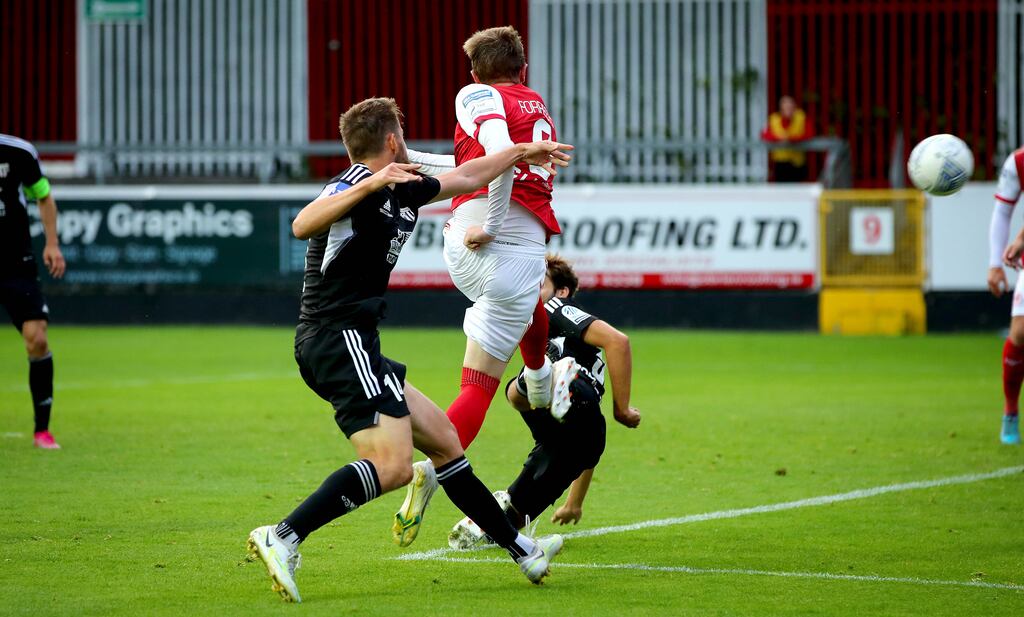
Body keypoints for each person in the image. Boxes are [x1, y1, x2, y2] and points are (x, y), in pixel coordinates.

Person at [245, 97, 573, 603]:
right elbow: (302, 223)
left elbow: (470, 176)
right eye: (402, 130)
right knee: (394, 466)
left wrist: (523, 151)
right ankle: (282, 535)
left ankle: (522, 550)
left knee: (444, 439)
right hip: (335, 338)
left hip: (355, 343)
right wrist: (371, 182)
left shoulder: (405, 185)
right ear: (392, 140)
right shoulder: (354, 181)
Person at [407, 26, 561, 453]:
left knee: (530, 302)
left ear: (474, 74)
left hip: (477, 246)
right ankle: (435, 466)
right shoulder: (534, 104)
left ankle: (539, 379)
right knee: (478, 389)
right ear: (523, 69)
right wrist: (491, 227)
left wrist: (410, 158)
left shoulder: (476, 95)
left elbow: (488, 160)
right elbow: (502, 158)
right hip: (503, 250)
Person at [447, 255, 641, 548]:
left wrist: (622, 409)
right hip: (573, 428)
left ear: (562, 291)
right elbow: (590, 450)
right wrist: (574, 504)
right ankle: (486, 524)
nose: (530, 287)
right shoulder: (532, 322)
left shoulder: (554, 307)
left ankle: (546, 377)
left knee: (518, 395)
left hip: (577, 395)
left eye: (539, 282)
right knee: (511, 523)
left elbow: (618, 341)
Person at [0, 133, 65, 450]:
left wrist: (52, 243)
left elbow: (43, 195)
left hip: (15, 262)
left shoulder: (19, 153)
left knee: (37, 338)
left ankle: (43, 430)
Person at [986, 145, 1024, 445]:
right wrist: (994, 264)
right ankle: (1011, 407)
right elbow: (1002, 212)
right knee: (1021, 332)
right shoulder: (1019, 162)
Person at [760, 95, 812, 182]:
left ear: (795, 107)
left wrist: (791, 139)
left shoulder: (802, 117)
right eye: (786, 106)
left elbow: (809, 134)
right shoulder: (774, 119)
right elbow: (764, 135)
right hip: (780, 164)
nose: (788, 109)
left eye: (790, 106)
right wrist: (780, 139)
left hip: (798, 163)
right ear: (781, 108)